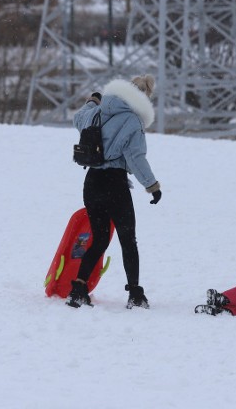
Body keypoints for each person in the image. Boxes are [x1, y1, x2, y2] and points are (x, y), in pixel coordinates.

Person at [65, 74, 162, 310]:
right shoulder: (133, 121)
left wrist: (92, 101)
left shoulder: (96, 112)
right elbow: (135, 158)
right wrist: (152, 186)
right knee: (128, 240)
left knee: (99, 239)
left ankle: (78, 289)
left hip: (92, 183)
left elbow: (78, 119)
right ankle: (135, 295)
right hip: (115, 185)